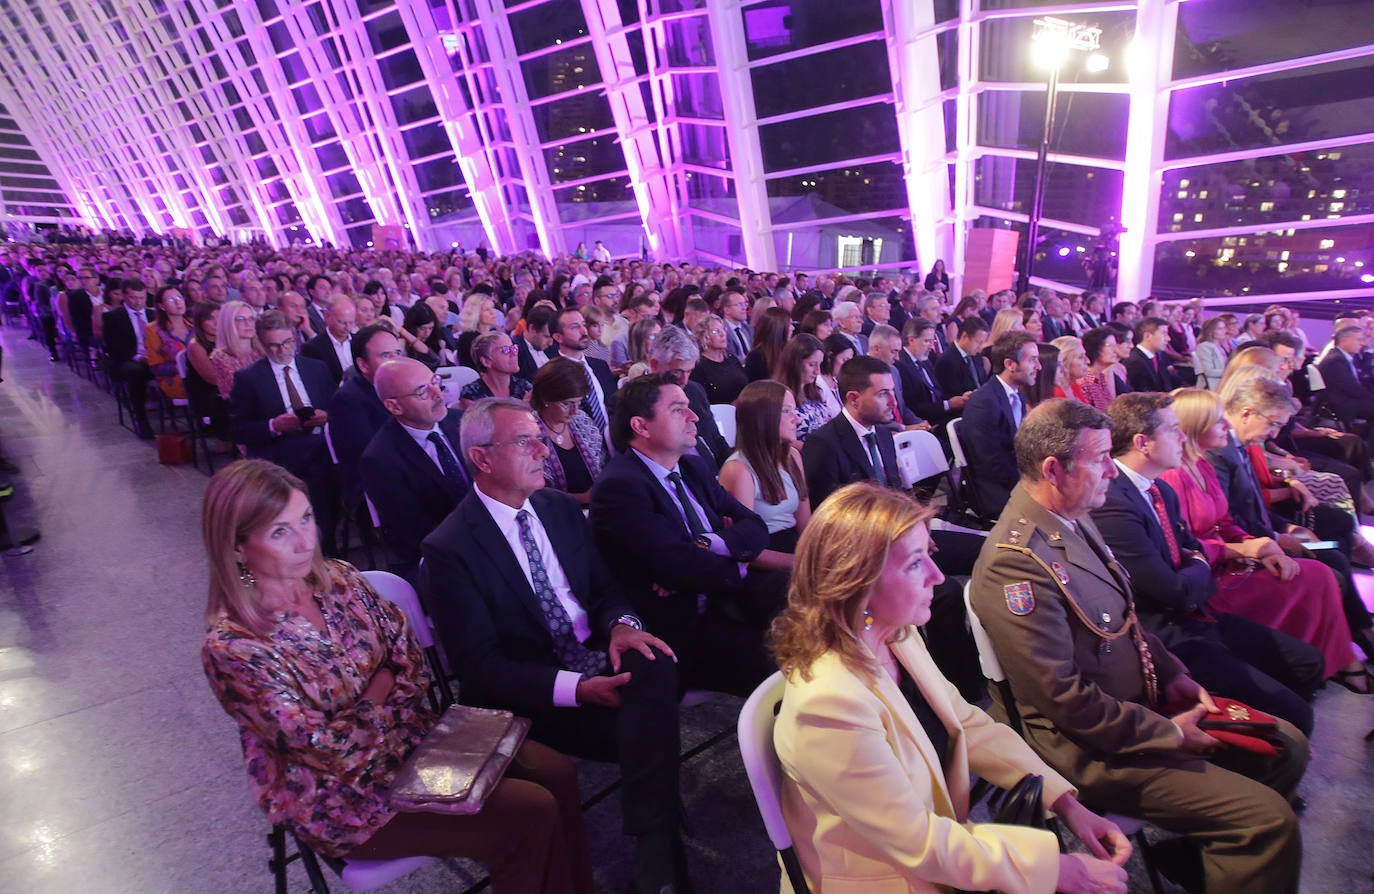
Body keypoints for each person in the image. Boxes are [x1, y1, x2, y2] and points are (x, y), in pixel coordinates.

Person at [200, 460, 592, 894]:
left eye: (306, 518)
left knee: (555, 772)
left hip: (420, 741)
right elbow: (326, 752)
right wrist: (381, 689)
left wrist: (372, 703)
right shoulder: (235, 647)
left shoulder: (341, 579)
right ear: (237, 548)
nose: (304, 541)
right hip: (342, 798)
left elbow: (414, 666)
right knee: (528, 813)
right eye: (279, 532)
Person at [970, 399, 1306, 894]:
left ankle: (1204, 861)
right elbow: (1064, 700)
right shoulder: (1016, 564)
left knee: (1286, 745)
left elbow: (1122, 619)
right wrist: (1168, 732)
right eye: (1101, 457)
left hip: (1136, 707)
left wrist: (1174, 675)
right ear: (1053, 470)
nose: (1113, 468)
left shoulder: (1071, 514)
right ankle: (1232, 850)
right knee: (1267, 822)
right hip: (1092, 747)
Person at [773, 482, 1130, 894]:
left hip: (936, 850)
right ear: (856, 582)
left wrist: (1065, 802)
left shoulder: (897, 636)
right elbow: (919, 842)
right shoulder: (829, 704)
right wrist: (1053, 870)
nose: (937, 576)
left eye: (929, 555)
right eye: (914, 564)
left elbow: (966, 722)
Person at [419, 397, 687, 893]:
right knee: (651, 717)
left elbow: (606, 592)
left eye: (540, 437)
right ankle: (662, 854)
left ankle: (657, 854)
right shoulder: (449, 548)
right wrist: (578, 690)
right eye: (526, 441)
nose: (544, 449)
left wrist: (624, 625)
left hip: (596, 651)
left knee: (654, 660)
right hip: (537, 690)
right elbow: (480, 668)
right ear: (482, 458)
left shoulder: (559, 509)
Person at [1091, 392, 1329, 734]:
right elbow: (1174, 590)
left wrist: (1199, 561)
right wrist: (1200, 563)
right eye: (1174, 430)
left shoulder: (1159, 489)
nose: (1182, 437)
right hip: (1165, 634)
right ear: (1143, 443)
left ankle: (1277, 752)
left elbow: (1192, 552)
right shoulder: (1115, 502)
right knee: (1294, 713)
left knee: (1308, 663)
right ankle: (1273, 760)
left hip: (1196, 613)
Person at [1165, 387, 1374, 690]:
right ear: (1196, 426)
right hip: (1212, 577)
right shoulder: (1174, 476)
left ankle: (1337, 661)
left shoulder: (1201, 465)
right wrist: (1250, 547)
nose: (1227, 426)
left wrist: (1264, 545)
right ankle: (1337, 662)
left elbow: (1225, 520)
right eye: (1219, 421)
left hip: (1234, 557)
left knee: (1322, 569)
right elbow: (1185, 545)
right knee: (1320, 572)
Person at [590, 373, 780, 696]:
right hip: (683, 621)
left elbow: (755, 526)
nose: (694, 417)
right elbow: (680, 566)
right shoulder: (620, 487)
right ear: (641, 426)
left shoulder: (692, 468)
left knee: (800, 595)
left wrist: (712, 544)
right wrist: (737, 564)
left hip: (719, 594)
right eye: (678, 409)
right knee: (783, 659)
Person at [229, 310, 339, 555]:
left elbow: (338, 408)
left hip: (319, 448)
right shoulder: (249, 378)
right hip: (278, 455)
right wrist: (273, 426)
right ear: (262, 344)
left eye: (287, 342)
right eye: (273, 346)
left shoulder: (316, 368)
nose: (282, 350)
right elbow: (238, 430)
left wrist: (327, 416)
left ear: (295, 338)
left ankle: (328, 552)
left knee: (329, 486)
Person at [359, 359, 470, 582]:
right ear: (394, 406)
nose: (437, 393)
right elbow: (414, 537)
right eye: (422, 391)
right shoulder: (380, 460)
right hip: (439, 558)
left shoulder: (462, 422)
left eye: (434, 382)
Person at [718, 380, 810, 568]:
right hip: (766, 562)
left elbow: (805, 525)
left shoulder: (792, 456)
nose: (797, 419)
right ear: (764, 417)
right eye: (787, 411)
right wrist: (802, 563)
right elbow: (745, 551)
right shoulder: (739, 470)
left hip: (794, 549)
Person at [327, 324, 405, 525]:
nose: (396, 361)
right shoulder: (348, 401)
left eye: (398, 352)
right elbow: (370, 458)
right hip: (374, 483)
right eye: (386, 355)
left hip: (405, 468)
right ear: (363, 365)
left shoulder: (402, 387)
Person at [801, 356, 903, 509]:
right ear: (853, 399)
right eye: (883, 393)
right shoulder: (823, 444)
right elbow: (828, 513)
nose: (893, 402)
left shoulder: (884, 434)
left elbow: (895, 490)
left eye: (892, 391)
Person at [960, 331, 1041, 516]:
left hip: (1013, 479)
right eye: (1032, 360)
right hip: (995, 492)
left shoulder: (1017, 394)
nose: (1039, 366)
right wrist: (1033, 481)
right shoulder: (984, 402)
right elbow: (989, 463)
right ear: (1010, 364)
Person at [531, 358, 607, 503]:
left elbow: (603, 465)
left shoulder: (582, 421)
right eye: (567, 404)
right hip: (555, 515)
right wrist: (581, 498)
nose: (575, 411)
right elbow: (532, 493)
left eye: (579, 402)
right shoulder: (530, 433)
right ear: (546, 398)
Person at [101, 277, 156, 439]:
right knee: (136, 373)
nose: (138, 302)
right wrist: (140, 357)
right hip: (129, 359)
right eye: (133, 297)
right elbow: (114, 348)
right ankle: (141, 418)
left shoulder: (153, 314)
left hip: (153, 357)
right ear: (124, 296)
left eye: (142, 298)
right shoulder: (113, 317)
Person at [778, 333, 830, 442]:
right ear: (795, 363)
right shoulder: (780, 395)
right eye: (811, 364)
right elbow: (777, 437)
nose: (818, 371)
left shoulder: (817, 391)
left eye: (819, 364)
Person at [460, 330, 532, 408]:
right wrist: (523, 407)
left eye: (514, 348)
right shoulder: (472, 394)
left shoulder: (524, 387)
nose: (514, 354)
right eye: (506, 350)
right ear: (486, 361)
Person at [144, 285, 190, 400]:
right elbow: (156, 367)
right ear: (162, 306)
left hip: (199, 374)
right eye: (170, 300)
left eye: (179, 298)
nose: (177, 302)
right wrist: (184, 367)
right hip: (174, 378)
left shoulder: (193, 326)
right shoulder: (153, 330)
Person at [690, 313, 748, 405]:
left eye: (723, 329)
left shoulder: (732, 359)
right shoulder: (698, 367)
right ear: (704, 337)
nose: (722, 334)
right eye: (716, 331)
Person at [301, 295, 357, 384]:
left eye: (351, 322)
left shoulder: (360, 341)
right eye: (342, 322)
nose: (348, 328)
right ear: (327, 316)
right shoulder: (312, 348)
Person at [933, 315, 989, 398]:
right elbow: (952, 396)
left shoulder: (976, 356)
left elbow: (983, 382)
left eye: (983, 342)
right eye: (978, 342)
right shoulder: (947, 362)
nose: (980, 347)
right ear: (964, 336)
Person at [1124, 317, 1177, 393]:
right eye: (1164, 334)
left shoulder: (1159, 356)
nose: (1168, 339)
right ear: (1147, 336)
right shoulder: (1134, 362)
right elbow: (1141, 394)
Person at [744, 306, 792, 382]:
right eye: (789, 325)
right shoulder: (757, 357)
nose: (793, 328)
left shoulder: (788, 351)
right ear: (779, 329)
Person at [1192, 317, 1229, 390]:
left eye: (1224, 328)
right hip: (1212, 385)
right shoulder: (1204, 347)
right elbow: (1208, 371)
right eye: (1219, 329)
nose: (1224, 331)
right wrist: (1229, 371)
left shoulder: (1221, 347)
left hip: (1223, 383)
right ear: (1210, 331)